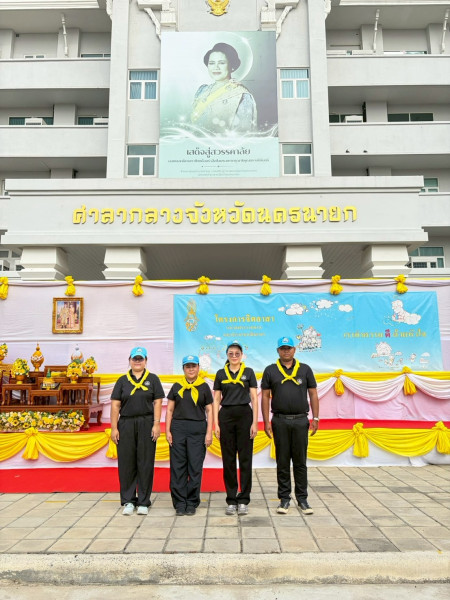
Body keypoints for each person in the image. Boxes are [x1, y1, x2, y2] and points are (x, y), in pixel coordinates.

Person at [261, 336, 319, 515]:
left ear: (294, 349)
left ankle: (302, 499)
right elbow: (265, 396)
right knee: (283, 461)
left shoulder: (305, 369)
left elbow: (313, 394)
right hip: (280, 421)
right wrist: (266, 421)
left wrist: (316, 418)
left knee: (300, 461)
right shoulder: (270, 370)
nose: (286, 351)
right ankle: (284, 499)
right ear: (278, 351)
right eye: (283, 348)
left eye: (289, 348)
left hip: (301, 420)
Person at [110, 346, 164, 516]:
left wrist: (156, 424)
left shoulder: (153, 379)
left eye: (141, 359)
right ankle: (128, 500)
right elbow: (115, 405)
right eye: (135, 358)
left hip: (146, 422)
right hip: (126, 423)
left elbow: (158, 402)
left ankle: (143, 501)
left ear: (146, 361)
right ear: (130, 360)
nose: (138, 361)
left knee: (145, 462)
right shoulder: (122, 381)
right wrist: (114, 427)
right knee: (127, 462)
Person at [213, 340, 258, 516]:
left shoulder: (249, 372)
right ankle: (231, 499)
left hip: (245, 416)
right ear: (227, 355)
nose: (234, 356)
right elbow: (216, 399)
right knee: (229, 459)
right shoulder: (220, 374)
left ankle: (244, 499)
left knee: (245, 459)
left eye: (237, 353)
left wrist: (255, 422)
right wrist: (216, 424)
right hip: (226, 417)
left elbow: (254, 398)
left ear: (242, 355)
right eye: (230, 353)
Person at [165, 354, 213, 516]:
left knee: (195, 467)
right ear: (183, 369)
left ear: (198, 368)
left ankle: (192, 502)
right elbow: (169, 409)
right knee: (178, 467)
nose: (191, 369)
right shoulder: (177, 386)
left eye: (193, 366)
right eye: (188, 366)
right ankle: (179, 502)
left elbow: (209, 410)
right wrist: (167, 430)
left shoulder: (204, 387)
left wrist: (209, 432)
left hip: (198, 429)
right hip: (178, 428)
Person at [191, 42, 257, 135]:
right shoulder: (202, 90)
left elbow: (243, 134)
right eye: (211, 63)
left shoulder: (242, 95)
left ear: (232, 66)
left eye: (221, 63)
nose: (216, 67)